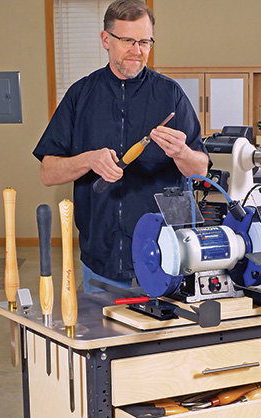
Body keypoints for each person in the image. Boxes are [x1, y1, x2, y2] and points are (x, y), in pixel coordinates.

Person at [33, 0, 209, 293]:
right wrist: (89, 159)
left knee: (166, 338)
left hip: (166, 256)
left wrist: (183, 153)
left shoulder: (171, 95)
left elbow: (200, 169)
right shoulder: (80, 96)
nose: (137, 51)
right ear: (106, 40)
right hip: (101, 259)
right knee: (104, 337)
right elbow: (48, 173)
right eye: (128, 40)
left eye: (144, 42)